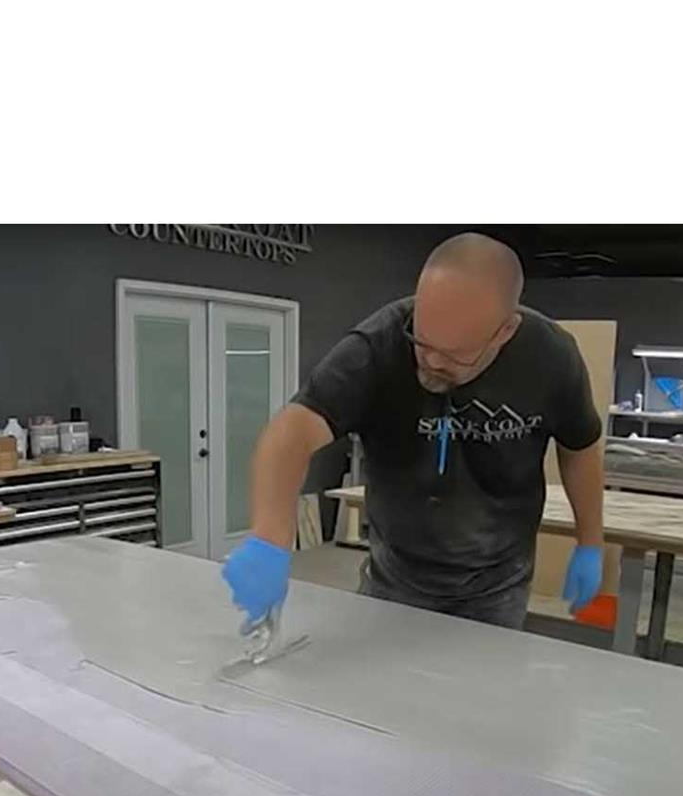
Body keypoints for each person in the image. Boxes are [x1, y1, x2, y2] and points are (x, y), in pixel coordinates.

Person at [222, 232, 604, 632]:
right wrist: (270, 538)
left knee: (479, 671)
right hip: (395, 576)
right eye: (422, 343)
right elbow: (292, 432)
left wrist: (590, 543)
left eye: (454, 356)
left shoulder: (551, 357)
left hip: (498, 582)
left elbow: (579, 447)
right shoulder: (377, 346)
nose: (432, 362)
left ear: (505, 332)